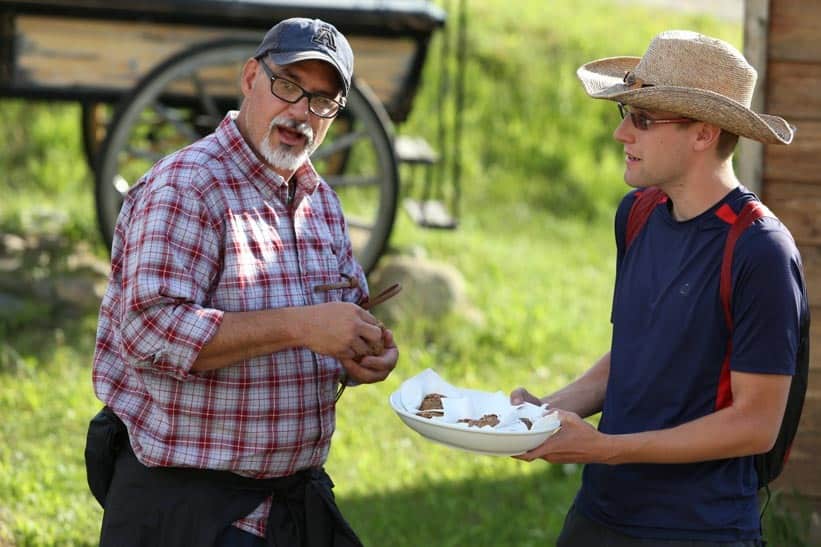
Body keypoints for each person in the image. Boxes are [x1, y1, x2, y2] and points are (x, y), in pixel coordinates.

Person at [84, 17, 398, 547]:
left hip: (288, 503)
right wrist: (302, 327)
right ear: (251, 77)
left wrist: (360, 351)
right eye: (289, 86)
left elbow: (336, 317)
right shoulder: (188, 185)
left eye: (322, 101)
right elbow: (150, 332)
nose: (302, 111)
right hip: (189, 510)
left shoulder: (320, 202)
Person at [510, 30, 808, 546]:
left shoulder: (762, 251)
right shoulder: (638, 214)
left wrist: (606, 447)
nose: (621, 134)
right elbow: (633, 354)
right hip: (598, 514)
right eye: (624, 113)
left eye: (643, 119)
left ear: (704, 133)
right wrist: (541, 414)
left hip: (697, 530)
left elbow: (756, 424)